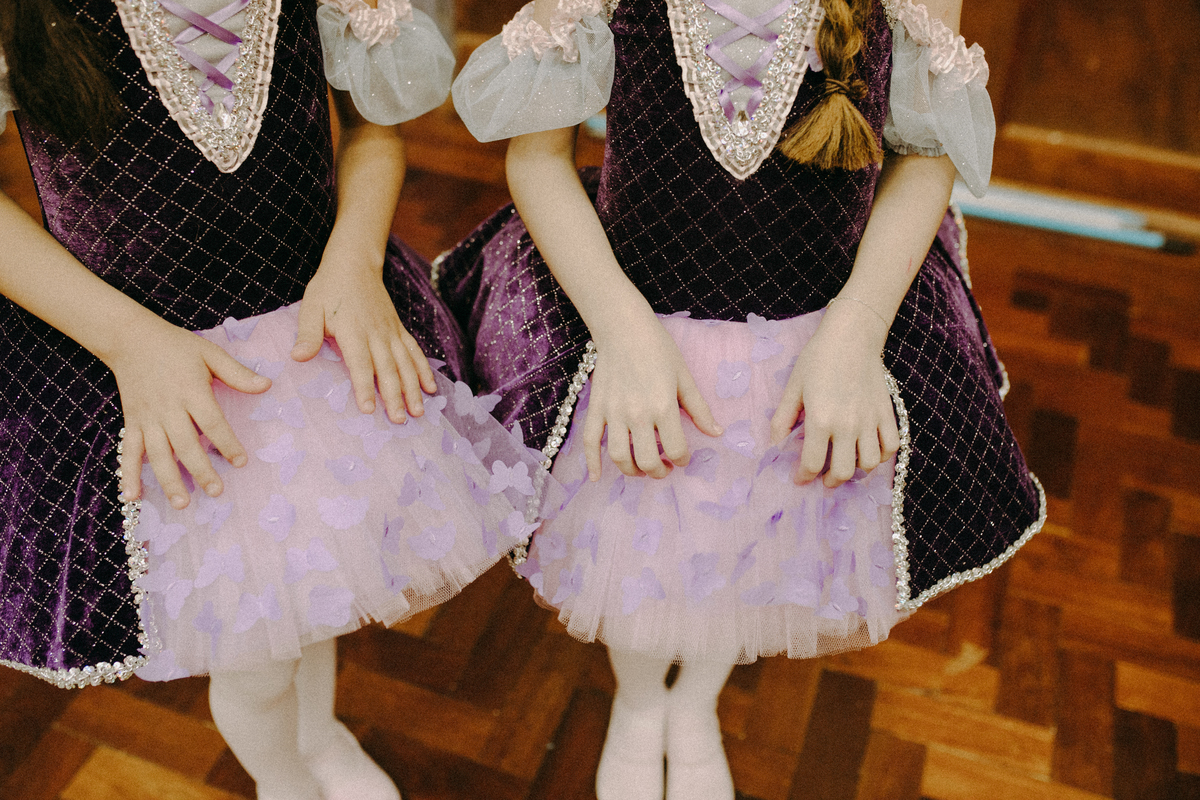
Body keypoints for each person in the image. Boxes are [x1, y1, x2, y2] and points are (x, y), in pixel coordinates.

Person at [445, 0, 1045, 797]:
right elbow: (537, 157)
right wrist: (621, 332)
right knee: (640, 520)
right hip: (632, 317)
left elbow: (926, 153)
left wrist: (858, 329)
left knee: (760, 533)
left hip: (821, 331)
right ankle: (637, 698)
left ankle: (694, 701)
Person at [0, 1, 557, 799]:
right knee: (257, 662)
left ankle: (318, 733)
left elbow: (372, 131)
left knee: (319, 576)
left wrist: (355, 260)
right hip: (149, 368)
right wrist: (127, 341)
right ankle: (283, 779)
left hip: (315, 330)